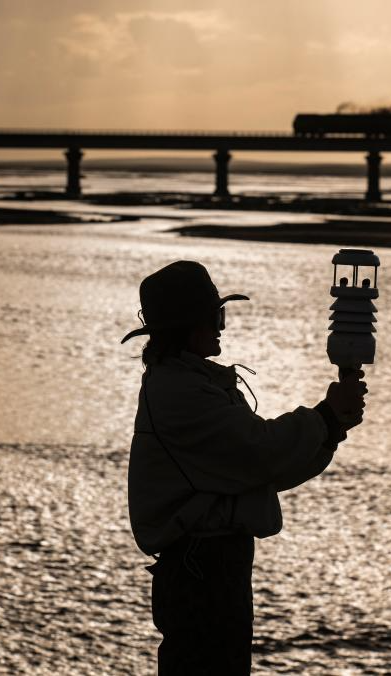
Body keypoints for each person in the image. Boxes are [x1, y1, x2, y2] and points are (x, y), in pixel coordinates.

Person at [121, 260, 366, 675]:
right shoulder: (181, 391)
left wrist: (330, 430)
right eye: (215, 316)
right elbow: (260, 453)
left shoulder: (189, 383)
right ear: (189, 326)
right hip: (200, 565)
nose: (221, 326)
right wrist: (325, 417)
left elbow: (262, 471)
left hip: (213, 560)